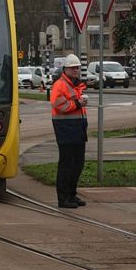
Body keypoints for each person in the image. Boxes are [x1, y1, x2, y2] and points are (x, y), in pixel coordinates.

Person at [50, 54, 89, 209]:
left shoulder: (76, 85)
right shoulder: (60, 85)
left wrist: (79, 104)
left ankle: (71, 194)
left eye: (77, 67)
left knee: (78, 163)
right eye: (72, 68)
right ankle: (63, 197)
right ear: (65, 69)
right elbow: (59, 105)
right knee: (67, 163)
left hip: (77, 127)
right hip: (65, 128)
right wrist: (78, 103)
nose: (75, 70)